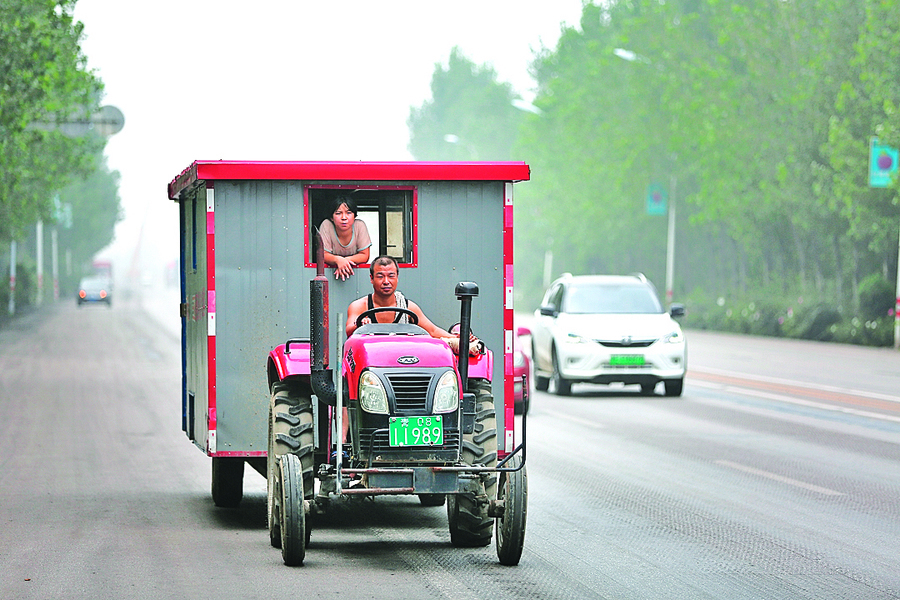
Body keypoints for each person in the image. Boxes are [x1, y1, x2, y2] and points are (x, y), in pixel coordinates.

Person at [318, 195, 372, 280]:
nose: (344, 218)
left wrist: (344, 261)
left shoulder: (359, 225)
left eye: (349, 213)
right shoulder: (327, 225)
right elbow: (323, 255)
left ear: (355, 216)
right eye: (338, 213)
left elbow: (364, 255)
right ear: (331, 217)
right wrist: (338, 260)